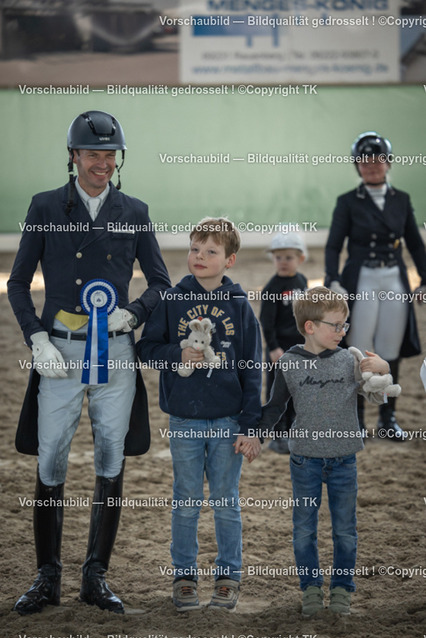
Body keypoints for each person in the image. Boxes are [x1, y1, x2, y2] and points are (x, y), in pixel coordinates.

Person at [7, 110, 171, 615]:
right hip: (58, 353)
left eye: (110, 155)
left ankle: (95, 576)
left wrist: (133, 314)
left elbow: (160, 283)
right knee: (51, 457)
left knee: (111, 457)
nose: (103, 163)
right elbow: (17, 283)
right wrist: (36, 337)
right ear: (74, 156)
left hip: (114, 353)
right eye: (94, 154)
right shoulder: (44, 206)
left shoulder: (134, 211)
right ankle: (47, 577)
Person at [137, 217, 262, 612]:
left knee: (226, 501)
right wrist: (177, 356)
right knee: (186, 499)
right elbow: (146, 349)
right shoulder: (172, 300)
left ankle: (228, 577)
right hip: (185, 421)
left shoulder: (239, 305)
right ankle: (184, 576)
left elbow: (253, 369)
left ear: (229, 260)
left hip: (228, 421)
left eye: (211, 251)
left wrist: (251, 425)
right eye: (195, 249)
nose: (200, 256)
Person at [257, 286, 392, 617]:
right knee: (305, 529)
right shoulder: (288, 363)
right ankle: (311, 589)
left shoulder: (350, 359)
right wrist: (256, 436)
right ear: (310, 326)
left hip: (345, 459)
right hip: (304, 460)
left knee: (345, 530)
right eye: (336, 325)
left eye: (345, 325)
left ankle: (342, 589)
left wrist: (383, 368)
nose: (342, 331)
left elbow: (375, 393)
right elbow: (275, 406)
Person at [325, 132, 426, 440]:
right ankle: (355, 419)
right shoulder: (347, 201)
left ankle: (387, 418)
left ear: (387, 163)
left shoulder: (401, 200)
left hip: (393, 277)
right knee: (358, 346)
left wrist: (425, 279)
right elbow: (333, 246)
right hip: (362, 279)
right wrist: (333, 279)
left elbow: (415, 244)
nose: (371, 165)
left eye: (377, 160)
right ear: (357, 165)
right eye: (364, 161)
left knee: (390, 346)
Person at [259, 232, 307, 454]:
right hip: (279, 349)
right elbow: (266, 321)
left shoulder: (302, 281)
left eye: (289, 257)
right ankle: (278, 434)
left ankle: (293, 430)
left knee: (298, 389)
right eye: (278, 257)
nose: (283, 262)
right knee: (277, 392)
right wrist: (273, 347)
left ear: (300, 259)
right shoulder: (272, 287)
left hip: (300, 348)